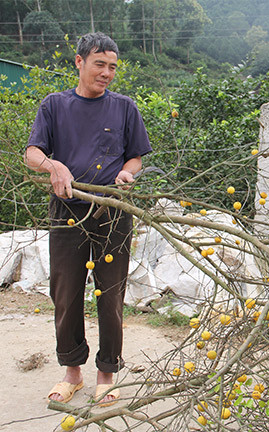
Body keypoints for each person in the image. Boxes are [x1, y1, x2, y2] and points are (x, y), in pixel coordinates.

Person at [24, 32, 152, 407]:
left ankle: (106, 374)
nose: (107, 72)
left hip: (112, 212)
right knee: (65, 293)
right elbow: (32, 152)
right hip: (66, 212)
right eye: (100, 64)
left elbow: (136, 157)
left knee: (111, 294)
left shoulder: (125, 108)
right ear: (79, 62)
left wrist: (129, 174)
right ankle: (72, 373)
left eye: (112, 66)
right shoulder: (54, 106)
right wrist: (54, 165)